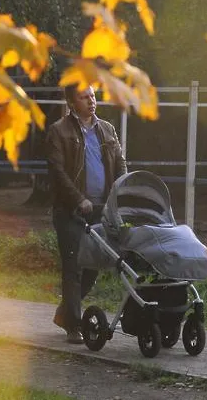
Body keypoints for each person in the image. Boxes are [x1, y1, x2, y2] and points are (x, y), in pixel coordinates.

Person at [45, 84, 126, 343]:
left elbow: (120, 164)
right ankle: (73, 326)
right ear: (71, 102)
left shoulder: (107, 130)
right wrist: (79, 199)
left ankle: (64, 313)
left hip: (101, 210)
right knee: (74, 267)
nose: (91, 101)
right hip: (71, 211)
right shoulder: (59, 132)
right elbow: (57, 172)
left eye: (93, 95)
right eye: (84, 97)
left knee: (93, 266)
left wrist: (122, 192)